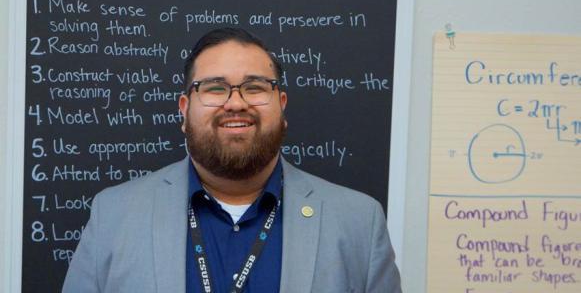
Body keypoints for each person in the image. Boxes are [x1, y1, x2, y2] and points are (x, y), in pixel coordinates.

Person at [63, 27, 401, 293]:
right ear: (184, 110)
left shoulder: (359, 223)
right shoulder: (114, 216)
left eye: (254, 87)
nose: (236, 103)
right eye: (214, 88)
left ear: (281, 105)